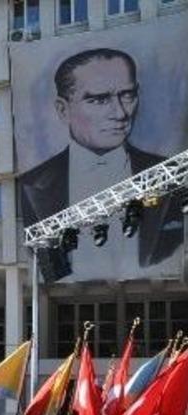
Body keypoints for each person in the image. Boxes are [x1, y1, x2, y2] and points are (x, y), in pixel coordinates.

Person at [18, 48, 181, 282]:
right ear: (63, 109)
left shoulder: (170, 173)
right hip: (65, 298)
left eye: (127, 95)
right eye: (99, 99)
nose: (120, 113)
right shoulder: (33, 184)